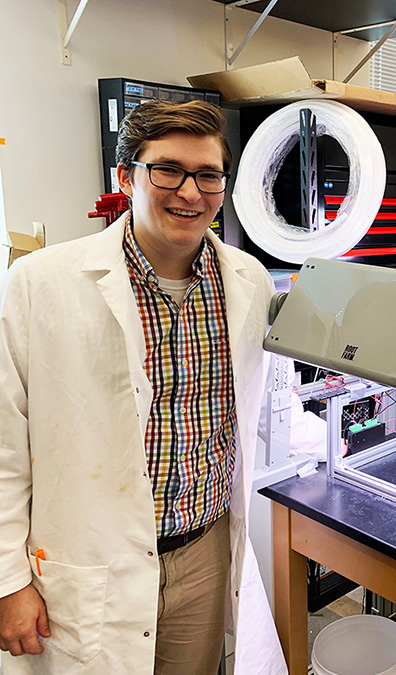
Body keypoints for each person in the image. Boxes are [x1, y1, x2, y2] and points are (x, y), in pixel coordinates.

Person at [0, 100, 286, 675]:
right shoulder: (38, 283)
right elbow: (5, 441)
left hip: (202, 553)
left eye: (208, 175)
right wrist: (7, 579)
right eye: (168, 170)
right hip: (86, 558)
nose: (190, 192)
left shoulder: (248, 281)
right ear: (125, 175)